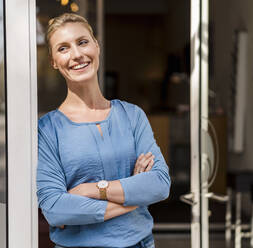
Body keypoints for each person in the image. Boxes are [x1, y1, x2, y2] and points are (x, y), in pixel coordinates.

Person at [37, 13, 171, 248]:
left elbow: (159, 183)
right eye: (63, 48)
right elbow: (55, 209)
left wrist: (90, 190)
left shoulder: (132, 116)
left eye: (82, 42)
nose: (77, 54)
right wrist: (133, 195)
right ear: (54, 61)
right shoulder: (48, 130)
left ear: (96, 46)